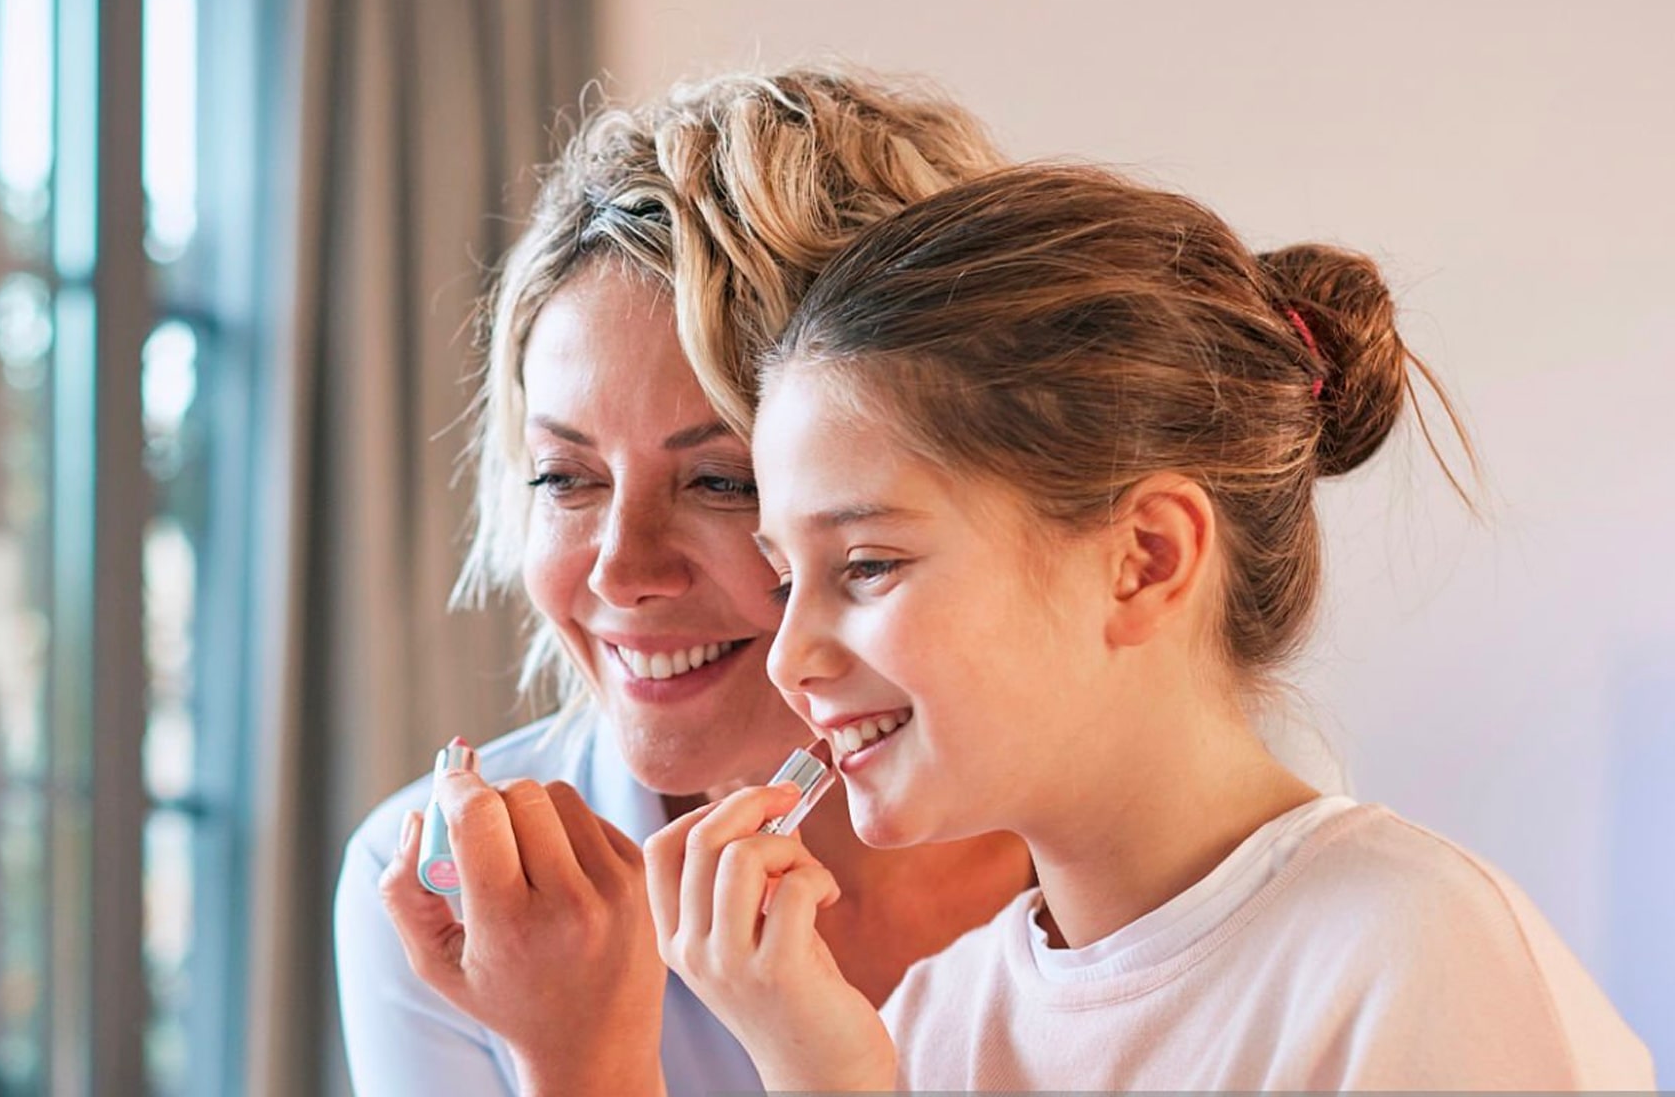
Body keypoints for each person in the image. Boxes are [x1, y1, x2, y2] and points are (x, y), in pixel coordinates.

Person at [645, 164, 1657, 1090]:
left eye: (866, 566)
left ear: (1146, 560)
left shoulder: (1415, 963)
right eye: (786, 579)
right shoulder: (933, 1024)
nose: (790, 658)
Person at [333, 67, 1036, 1097]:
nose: (621, 568)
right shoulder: (452, 900)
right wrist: (574, 1054)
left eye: (721, 481)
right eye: (564, 477)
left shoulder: (1153, 866)